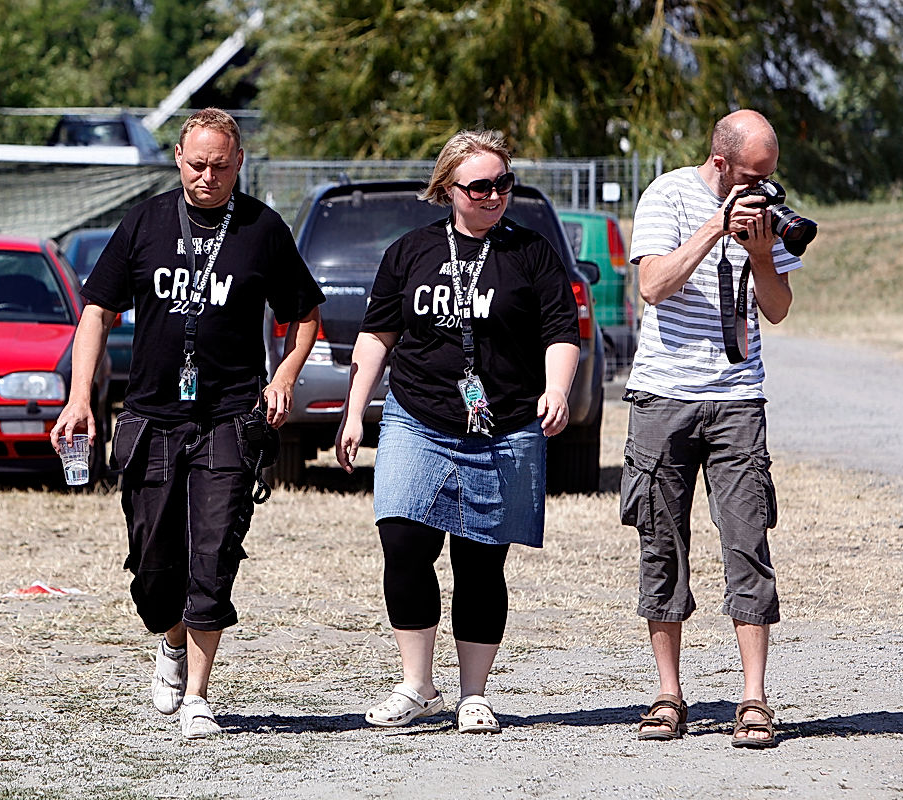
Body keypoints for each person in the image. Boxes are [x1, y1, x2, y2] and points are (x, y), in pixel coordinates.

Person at [52, 108, 324, 740]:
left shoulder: (262, 229)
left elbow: (304, 314)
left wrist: (283, 378)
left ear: (239, 164)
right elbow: (96, 311)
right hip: (150, 416)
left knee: (213, 553)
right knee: (154, 567)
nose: (207, 177)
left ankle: (200, 694)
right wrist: (79, 398)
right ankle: (169, 640)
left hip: (229, 417)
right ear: (178, 158)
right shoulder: (145, 222)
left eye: (221, 166)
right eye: (197, 164)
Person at [335, 130, 581, 734]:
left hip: (503, 425)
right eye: (479, 186)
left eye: (504, 184)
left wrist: (557, 390)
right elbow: (377, 335)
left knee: (480, 562)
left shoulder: (531, 251)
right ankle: (417, 685)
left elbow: (560, 331)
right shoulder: (410, 251)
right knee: (403, 542)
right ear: (448, 189)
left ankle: (474, 693)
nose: (494, 195)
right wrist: (353, 409)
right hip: (417, 415)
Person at [621, 109, 803, 749]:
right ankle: (668, 695)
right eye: (752, 176)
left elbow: (776, 310)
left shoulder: (765, 211)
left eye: (769, 176)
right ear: (721, 162)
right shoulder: (668, 194)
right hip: (663, 397)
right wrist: (713, 229)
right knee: (661, 543)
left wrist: (759, 254)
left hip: (736, 399)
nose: (762, 188)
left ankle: (753, 698)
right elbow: (653, 285)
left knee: (748, 541)